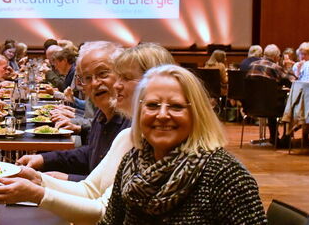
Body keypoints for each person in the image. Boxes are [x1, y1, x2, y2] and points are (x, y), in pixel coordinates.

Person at [0, 43, 175, 224]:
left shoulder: (161, 143)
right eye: (86, 78)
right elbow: (91, 189)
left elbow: (104, 210)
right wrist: (38, 179)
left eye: (123, 77)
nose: (117, 86)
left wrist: (37, 193)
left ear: (153, 84)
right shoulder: (128, 135)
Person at [99, 65, 266, 224]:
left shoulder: (226, 176)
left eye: (176, 106)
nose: (162, 115)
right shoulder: (132, 162)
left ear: (197, 114)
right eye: (152, 105)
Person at [17, 41, 128, 181]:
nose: (94, 83)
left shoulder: (133, 123)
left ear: (123, 75)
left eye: (102, 74)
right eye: (87, 78)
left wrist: (66, 179)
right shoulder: (102, 115)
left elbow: (113, 186)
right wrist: (43, 159)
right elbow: (90, 154)